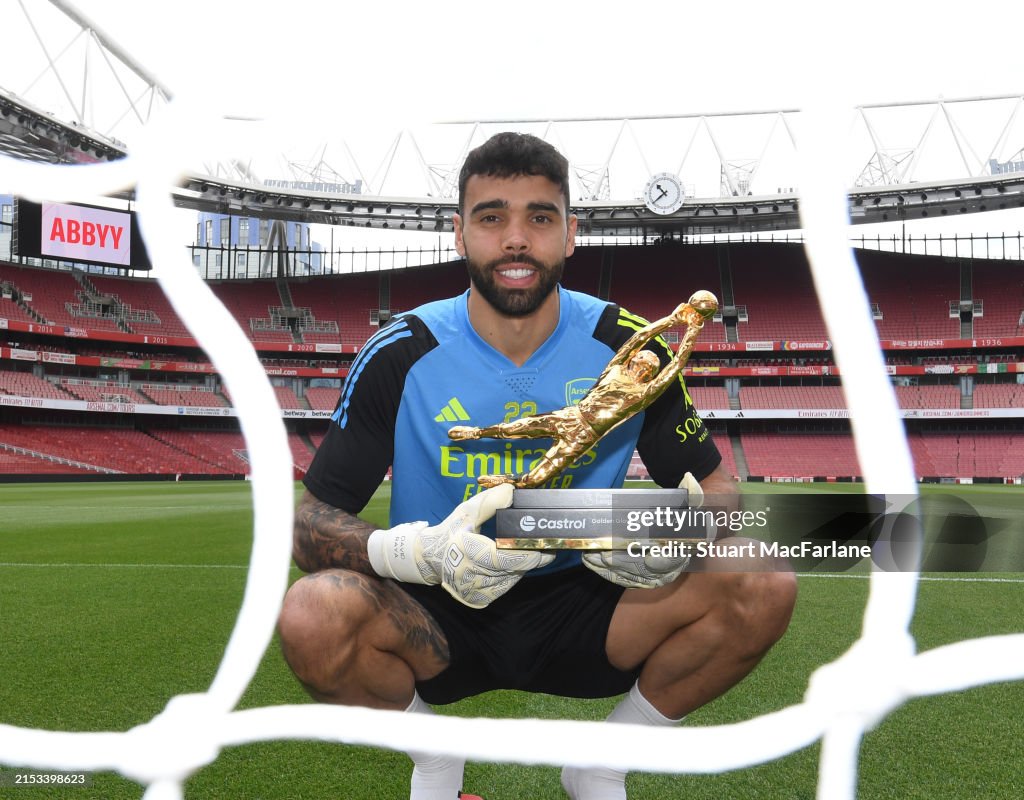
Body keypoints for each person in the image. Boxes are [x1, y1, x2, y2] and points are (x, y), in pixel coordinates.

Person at [278, 132, 797, 800]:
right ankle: (437, 763)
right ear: (459, 234)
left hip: (590, 604)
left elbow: (720, 490)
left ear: (571, 234)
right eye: (492, 217)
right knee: (311, 613)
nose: (516, 239)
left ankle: (601, 765)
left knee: (763, 579)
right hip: (440, 610)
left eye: (540, 218)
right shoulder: (401, 350)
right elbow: (308, 526)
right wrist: (415, 553)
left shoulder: (628, 344)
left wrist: (672, 530)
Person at [447, 291, 718, 488]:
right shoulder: (616, 369)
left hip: (585, 436)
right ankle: (476, 432)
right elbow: (640, 337)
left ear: (650, 372)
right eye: (644, 357)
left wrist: (692, 330)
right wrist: (671, 320)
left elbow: (677, 364)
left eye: (650, 362)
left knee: (538, 476)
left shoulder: (643, 394)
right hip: (572, 416)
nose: (645, 360)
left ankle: (506, 483)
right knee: (516, 427)